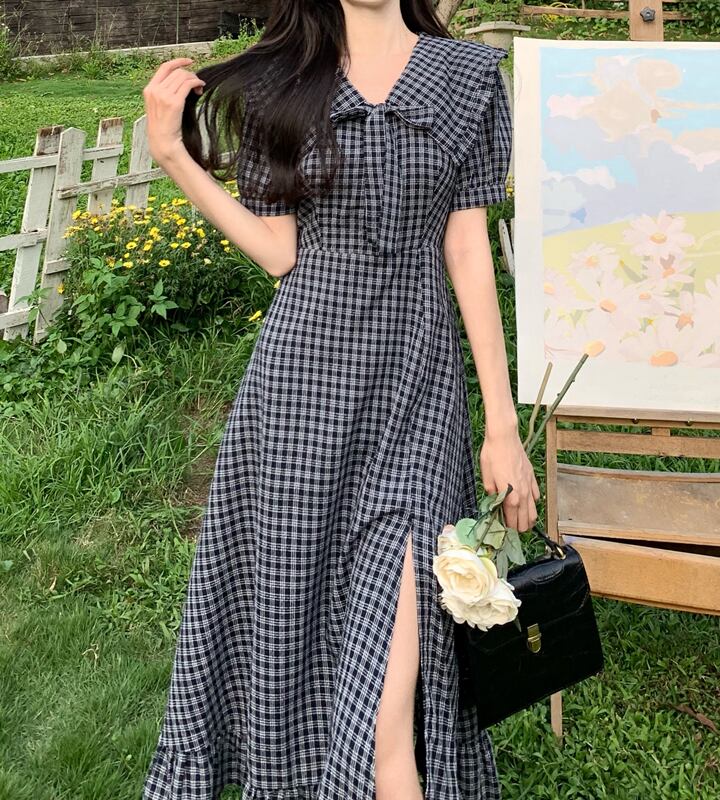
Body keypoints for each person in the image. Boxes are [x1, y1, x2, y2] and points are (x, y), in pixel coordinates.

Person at [140, 1, 540, 798]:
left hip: (415, 397)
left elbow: (466, 247)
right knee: (298, 618)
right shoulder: (285, 85)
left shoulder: (465, 78)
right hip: (300, 397)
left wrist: (501, 425)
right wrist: (173, 155)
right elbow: (278, 251)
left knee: (394, 699)